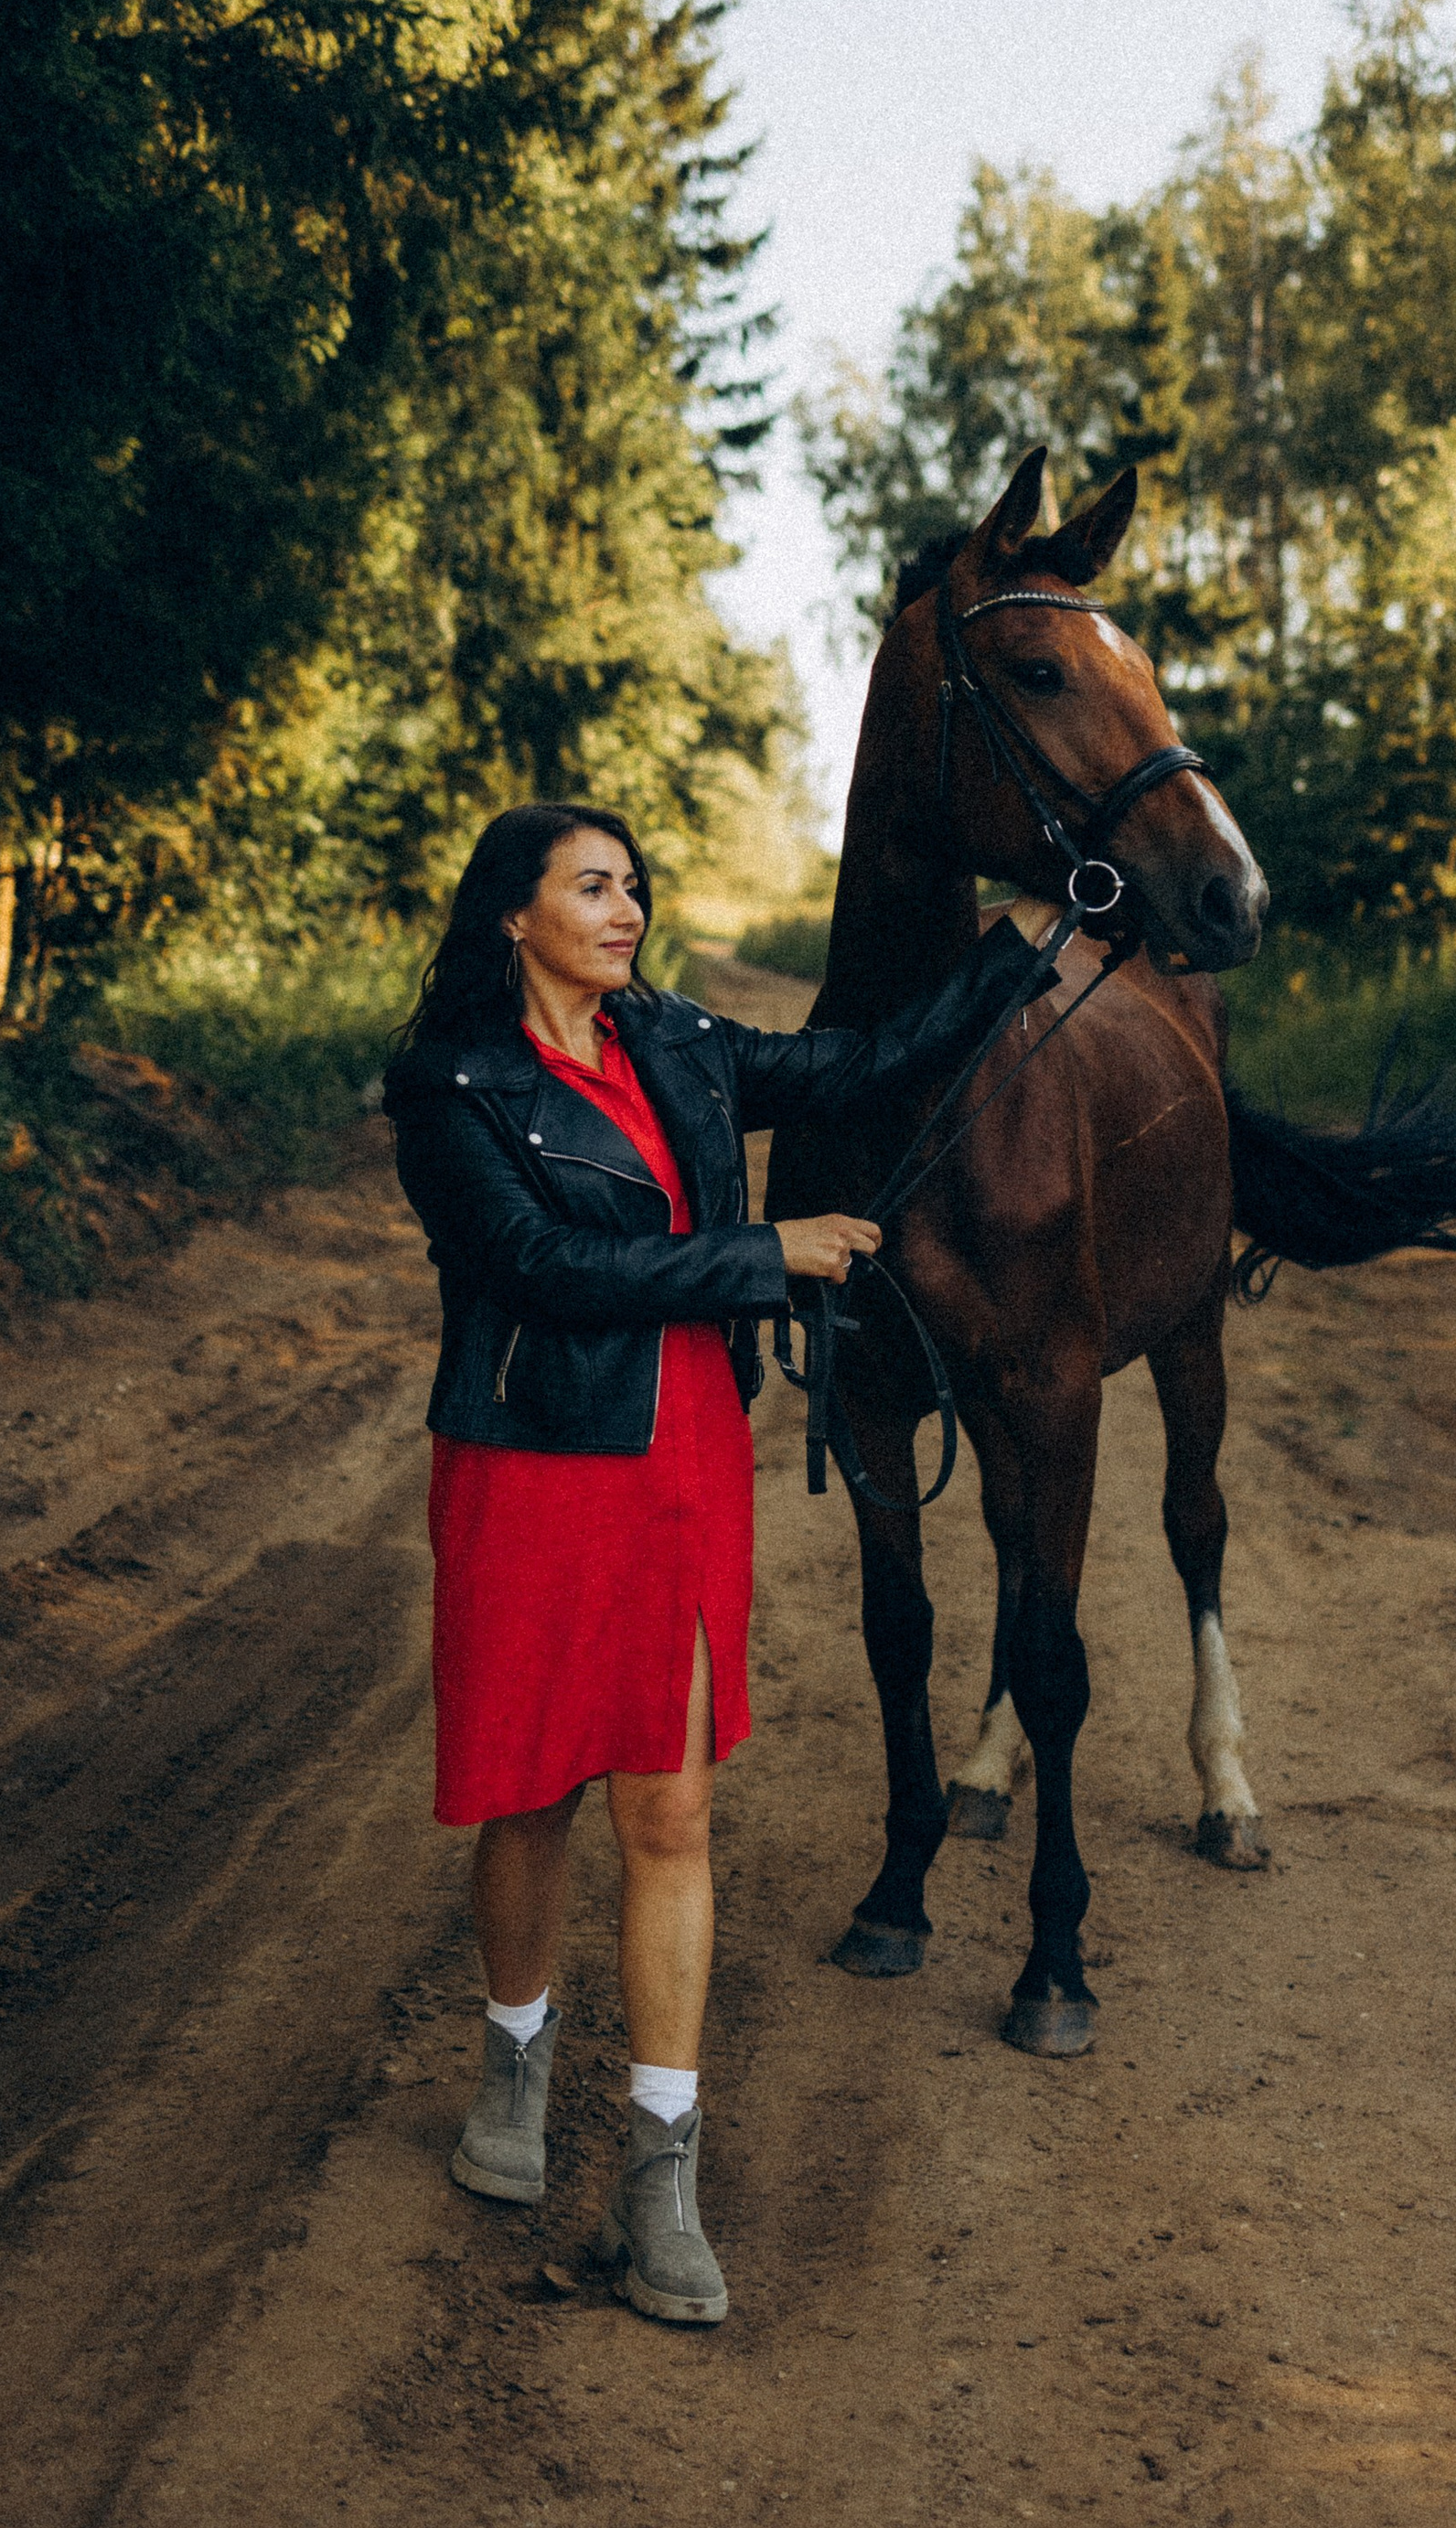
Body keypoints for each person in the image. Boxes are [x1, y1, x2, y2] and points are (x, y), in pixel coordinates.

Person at [381, 801, 1070, 2327]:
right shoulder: (454, 1085)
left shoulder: (676, 1038)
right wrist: (767, 1254)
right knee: (530, 1786)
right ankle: (513, 2058)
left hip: (682, 1455)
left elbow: (849, 1063)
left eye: (633, 884)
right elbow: (537, 1270)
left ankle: (659, 2170)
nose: (624, 909)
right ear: (514, 914)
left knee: (670, 1802)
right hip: (532, 1457)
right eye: (590, 887)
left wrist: (1012, 953)